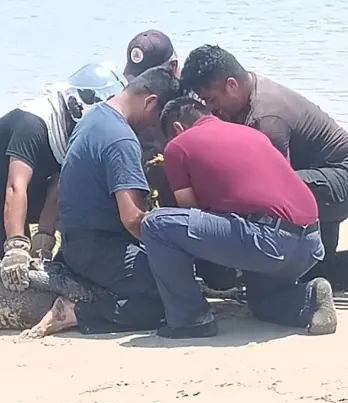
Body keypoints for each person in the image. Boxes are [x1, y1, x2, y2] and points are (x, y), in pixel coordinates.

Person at [140, 96, 337, 339]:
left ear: (178, 128)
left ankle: (189, 319)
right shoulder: (251, 134)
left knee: (156, 225)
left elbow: (188, 212)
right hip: (310, 244)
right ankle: (311, 296)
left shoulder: (178, 145)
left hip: (269, 240)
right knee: (263, 302)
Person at [20, 67, 182, 339]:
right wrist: (173, 250)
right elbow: (132, 219)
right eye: (157, 118)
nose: (154, 127)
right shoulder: (121, 139)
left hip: (73, 244)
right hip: (101, 250)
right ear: (150, 101)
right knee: (175, 298)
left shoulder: (91, 118)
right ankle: (77, 313)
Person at [179, 44, 348, 288]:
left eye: (212, 100)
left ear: (232, 85)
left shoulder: (265, 117)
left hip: (338, 178)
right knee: (317, 270)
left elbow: (272, 192)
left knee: (265, 196)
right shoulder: (248, 93)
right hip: (317, 174)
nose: (211, 109)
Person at [0, 62, 127, 290]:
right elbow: (16, 186)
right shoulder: (33, 125)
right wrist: (16, 245)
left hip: (32, 187)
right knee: (7, 272)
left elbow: (59, 182)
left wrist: (44, 238)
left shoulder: (71, 128)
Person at [123, 29, 181, 209]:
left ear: (173, 67)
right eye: (137, 81)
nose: (142, 89)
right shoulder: (129, 103)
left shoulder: (199, 100)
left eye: (150, 81)